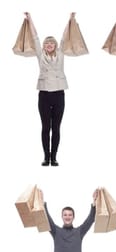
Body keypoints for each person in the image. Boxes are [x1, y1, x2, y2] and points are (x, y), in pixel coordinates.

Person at [24, 12, 76, 167]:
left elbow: (65, 37)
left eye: (51, 44)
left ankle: (54, 157)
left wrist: (70, 20)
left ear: (55, 46)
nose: (49, 45)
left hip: (59, 94)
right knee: (46, 127)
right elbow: (35, 38)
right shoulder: (40, 55)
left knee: (56, 128)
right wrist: (30, 19)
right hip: (44, 95)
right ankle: (46, 157)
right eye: (47, 44)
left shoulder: (60, 54)